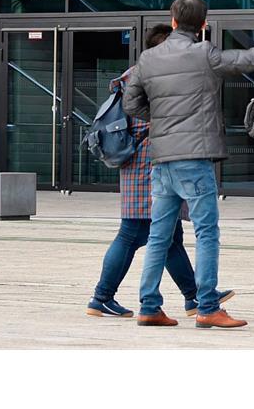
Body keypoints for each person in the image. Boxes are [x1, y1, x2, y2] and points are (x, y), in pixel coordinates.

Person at [124, 0, 254, 328]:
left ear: (172, 22)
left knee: (159, 235)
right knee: (206, 233)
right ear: (203, 26)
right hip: (194, 157)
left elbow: (131, 104)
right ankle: (208, 306)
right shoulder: (204, 53)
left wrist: (161, 120)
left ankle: (149, 305)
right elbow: (253, 57)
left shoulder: (148, 58)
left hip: (162, 160)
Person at [87, 25, 234, 318]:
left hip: (142, 163)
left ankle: (194, 297)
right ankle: (102, 297)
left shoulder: (135, 72)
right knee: (132, 234)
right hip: (148, 163)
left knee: (169, 237)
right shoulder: (154, 73)